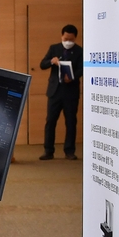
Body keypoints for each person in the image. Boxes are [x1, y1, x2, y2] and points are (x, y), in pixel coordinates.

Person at [39, 24, 83, 161]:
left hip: (71, 91)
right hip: (55, 91)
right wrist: (52, 61)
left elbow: (82, 69)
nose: (68, 41)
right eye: (66, 38)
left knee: (70, 122)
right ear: (62, 36)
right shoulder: (54, 48)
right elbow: (42, 64)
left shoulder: (80, 51)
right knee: (50, 121)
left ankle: (69, 151)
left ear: (75, 38)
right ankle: (48, 151)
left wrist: (73, 77)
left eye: (71, 39)